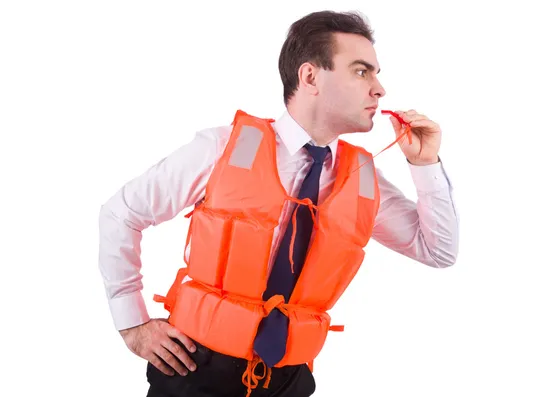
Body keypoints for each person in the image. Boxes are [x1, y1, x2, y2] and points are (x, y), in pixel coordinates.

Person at [98, 9, 459, 397]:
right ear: (310, 77)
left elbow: (437, 250)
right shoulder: (224, 147)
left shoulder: (365, 178)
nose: (379, 89)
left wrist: (424, 165)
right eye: (361, 71)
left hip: (289, 381)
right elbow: (121, 213)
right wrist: (132, 323)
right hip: (195, 369)